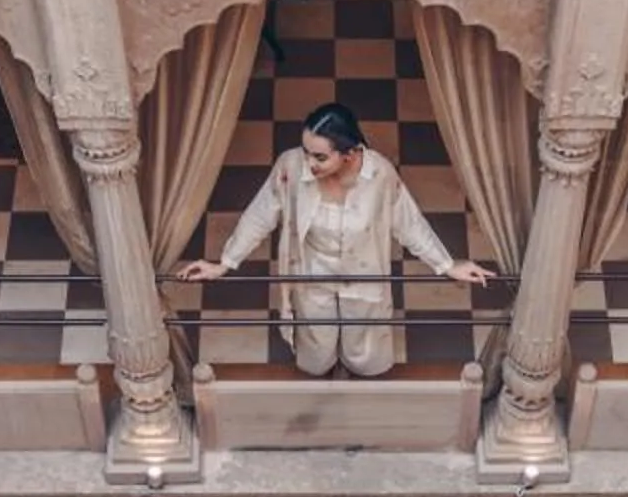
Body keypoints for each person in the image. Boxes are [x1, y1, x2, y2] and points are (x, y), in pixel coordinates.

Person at [176, 102, 494, 377]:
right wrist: (225, 263)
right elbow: (261, 214)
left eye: (319, 157)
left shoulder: (380, 175)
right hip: (312, 275)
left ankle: (360, 381)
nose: (309, 163)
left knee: (365, 344)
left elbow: (408, 223)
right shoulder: (291, 168)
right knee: (315, 343)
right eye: (306, 152)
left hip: (365, 277)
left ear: (350, 154)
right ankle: (321, 374)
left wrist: (447, 265)